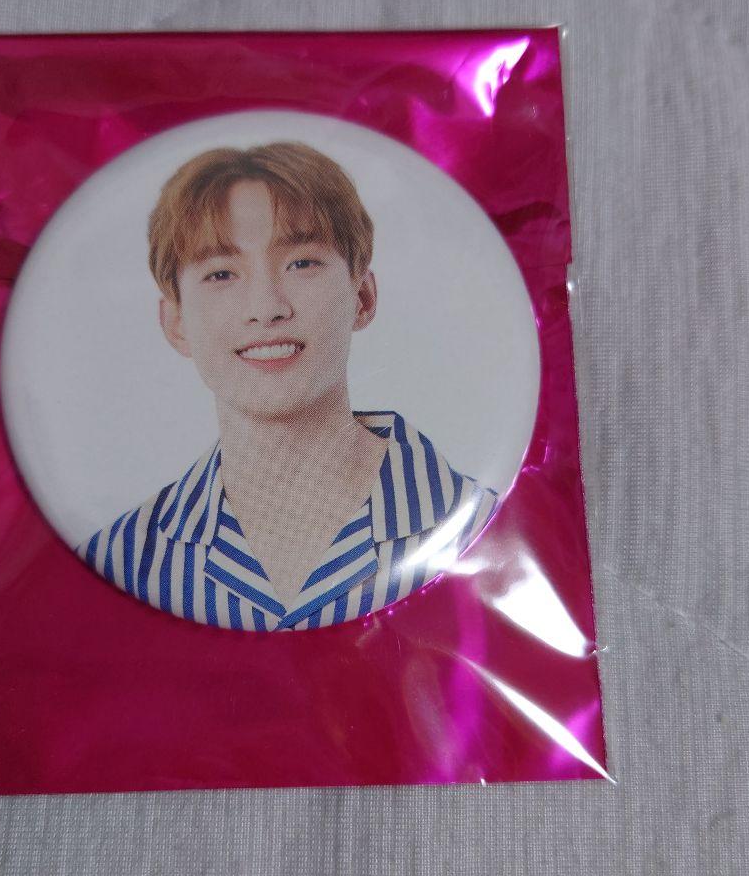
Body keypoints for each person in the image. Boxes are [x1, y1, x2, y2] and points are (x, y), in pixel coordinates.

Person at [78, 142, 497, 631]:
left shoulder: (486, 528)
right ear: (176, 322)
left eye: (302, 263)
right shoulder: (119, 560)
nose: (266, 307)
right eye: (221, 273)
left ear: (362, 296)